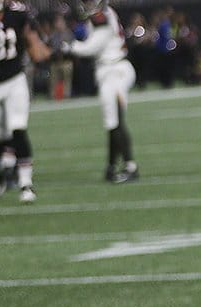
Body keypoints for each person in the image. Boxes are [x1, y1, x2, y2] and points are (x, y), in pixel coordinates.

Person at [65, 0, 139, 184]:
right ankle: (112, 166)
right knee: (114, 122)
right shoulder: (105, 13)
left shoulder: (102, 15)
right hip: (113, 70)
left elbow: (92, 47)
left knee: (114, 122)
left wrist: (69, 47)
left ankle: (131, 167)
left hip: (114, 70)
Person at [0, 0, 49, 204]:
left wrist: (44, 54)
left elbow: (33, 41)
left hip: (14, 81)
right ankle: (3, 165)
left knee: (18, 128)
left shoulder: (18, 14)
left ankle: (25, 184)